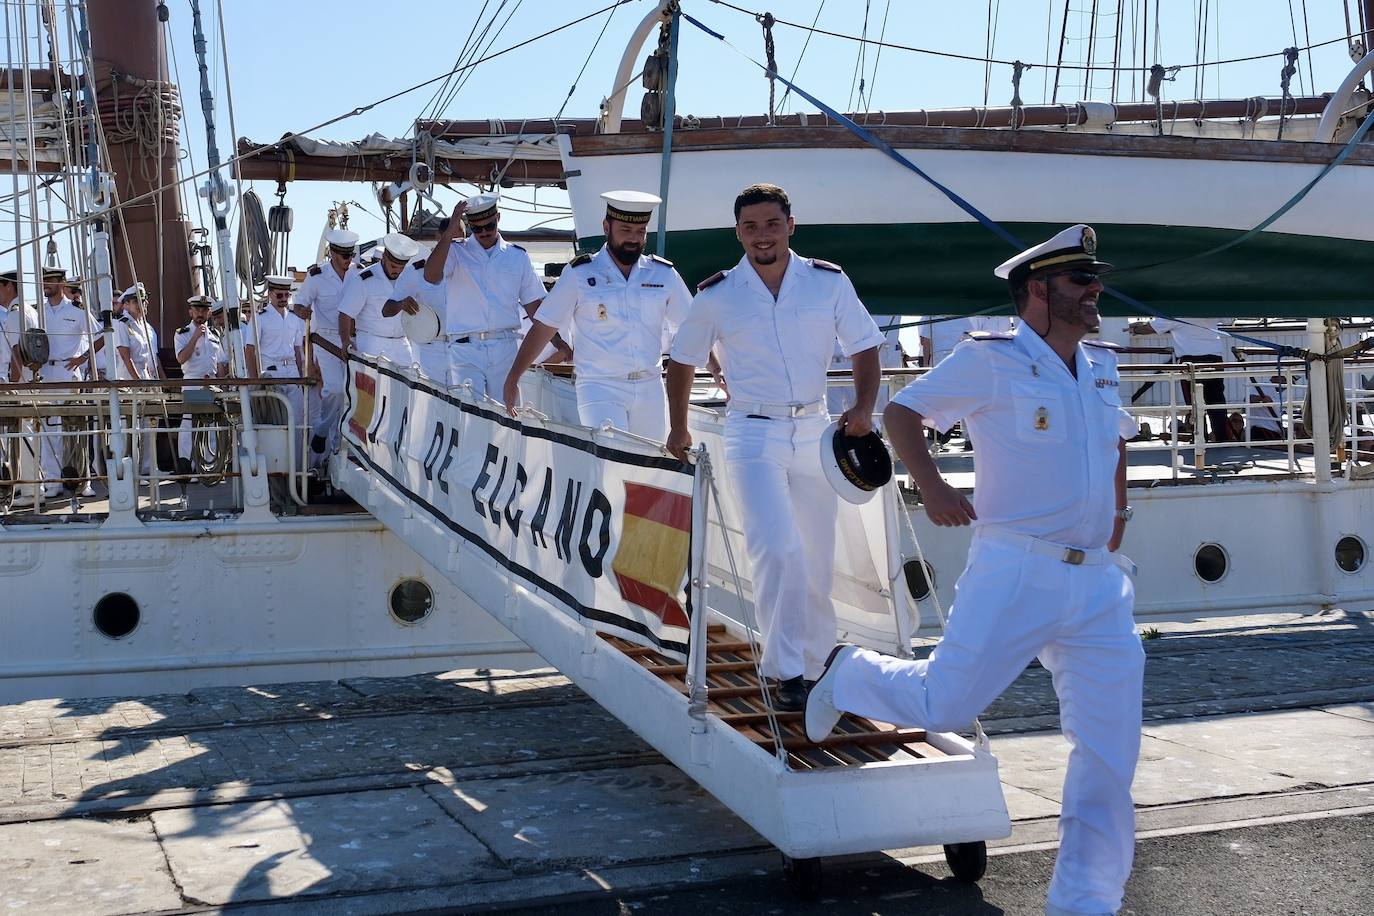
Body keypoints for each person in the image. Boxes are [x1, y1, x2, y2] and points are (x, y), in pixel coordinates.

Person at [805, 224, 1142, 916]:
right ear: (1039, 292)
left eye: (1094, 278)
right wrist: (929, 484)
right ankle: (851, 673)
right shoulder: (990, 360)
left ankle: (1086, 903)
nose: (1096, 290)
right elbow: (903, 413)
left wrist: (1118, 517)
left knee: (1109, 757)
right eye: (1082, 281)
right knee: (945, 706)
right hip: (1017, 566)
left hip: (1098, 583)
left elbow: (1115, 445)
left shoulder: (1103, 363)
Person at [665, 183, 885, 711]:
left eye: (771, 224)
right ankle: (784, 670)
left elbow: (864, 344)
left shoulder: (828, 283)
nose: (762, 236)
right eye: (750, 227)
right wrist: (678, 429)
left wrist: (863, 406)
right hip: (752, 432)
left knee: (815, 554)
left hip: (816, 431)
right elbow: (682, 360)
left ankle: (816, 663)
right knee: (776, 549)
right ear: (738, 233)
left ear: (791, 225)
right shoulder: (718, 295)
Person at [503, 190, 692, 439]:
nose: (634, 239)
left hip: (650, 387)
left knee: (648, 468)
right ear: (606, 227)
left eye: (640, 232)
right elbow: (544, 327)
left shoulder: (663, 275)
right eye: (625, 230)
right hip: (600, 387)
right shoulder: (580, 274)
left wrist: (717, 370)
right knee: (613, 458)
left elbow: (693, 328)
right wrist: (514, 376)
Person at [417, 194, 546, 396]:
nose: (484, 232)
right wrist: (450, 230)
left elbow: (534, 308)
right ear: (469, 226)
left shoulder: (517, 256)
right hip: (465, 348)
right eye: (477, 228)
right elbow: (430, 275)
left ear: (498, 218)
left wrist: (557, 341)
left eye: (489, 226)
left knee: (506, 415)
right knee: (470, 412)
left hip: (504, 346)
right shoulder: (455, 252)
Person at [37, 266, 101, 497]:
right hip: (45, 372)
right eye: (44, 281)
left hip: (67, 371)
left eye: (50, 281)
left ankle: (81, 481)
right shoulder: (39, 312)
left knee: (73, 429)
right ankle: (52, 482)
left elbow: (102, 336)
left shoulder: (77, 311)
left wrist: (83, 358)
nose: (45, 285)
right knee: (47, 430)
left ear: (62, 284)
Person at [295, 228, 359, 460]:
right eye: (343, 255)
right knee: (334, 389)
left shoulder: (358, 274)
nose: (348, 260)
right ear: (332, 253)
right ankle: (322, 431)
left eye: (350, 255)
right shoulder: (317, 276)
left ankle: (341, 445)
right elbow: (299, 303)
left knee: (353, 394)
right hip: (326, 339)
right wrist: (303, 311)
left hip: (353, 339)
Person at [1130, 316, 1232, 442]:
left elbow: (1150, 328)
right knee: (1217, 402)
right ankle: (1223, 439)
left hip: (1191, 362)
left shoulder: (1175, 312)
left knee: (1193, 403)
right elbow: (1229, 320)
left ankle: (1200, 439)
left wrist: (1135, 329)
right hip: (1214, 360)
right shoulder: (1210, 303)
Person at [337, 232, 418, 368]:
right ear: (384, 256)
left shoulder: (408, 279)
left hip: (401, 343)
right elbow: (345, 314)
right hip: (372, 343)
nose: (397, 271)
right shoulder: (364, 280)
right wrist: (345, 341)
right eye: (393, 266)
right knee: (373, 387)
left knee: (409, 384)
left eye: (401, 267)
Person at [245, 276, 307, 439]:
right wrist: (254, 381)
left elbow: (297, 349)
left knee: (298, 421)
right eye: (280, 295)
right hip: (271, 372)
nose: (284, 299)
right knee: (275, 421)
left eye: (287, 295)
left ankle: (298, 463)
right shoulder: (260, 318)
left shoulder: (294, 318)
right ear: (270, 294)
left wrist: (301, 377)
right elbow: (249, 350)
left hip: (292, 372)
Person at [175, 295, 226, 474]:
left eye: (204, 310)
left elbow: (220, 362)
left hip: (210, 385)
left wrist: (221, 384)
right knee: (189, 424)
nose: (200, 313)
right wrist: (195, 337)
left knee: (209, 425)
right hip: (192, 384)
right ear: (190, 311)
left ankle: (207, 466)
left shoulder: (215, 335)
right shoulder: (182, 333)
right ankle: (186, 465)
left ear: (209, 312)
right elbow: (181, 358)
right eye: (197, 310)